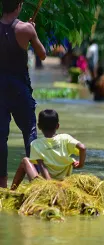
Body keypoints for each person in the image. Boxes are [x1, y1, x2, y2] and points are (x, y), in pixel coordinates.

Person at [0, 0, 46, 188]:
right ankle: (34, 181)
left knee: (1, 137)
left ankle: (2, 184)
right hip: (19, 88)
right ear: (19, 6)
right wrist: (31, 32)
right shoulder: (26, 29)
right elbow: (42, 55)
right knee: (30, 132)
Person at [10, 109, 86, 190]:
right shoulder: (65, 138)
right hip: (64, 182)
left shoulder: (36, 144)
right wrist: (81, 164)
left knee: (25, 161)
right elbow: (82, 148)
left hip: (46, 184)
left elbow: (42, 166)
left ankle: (12, 190)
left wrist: (50, 185)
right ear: (57, 126)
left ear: (39, 126)